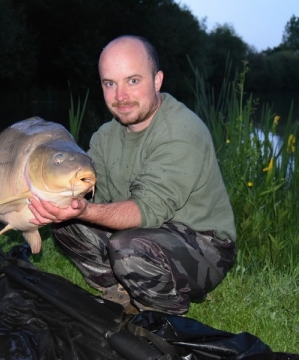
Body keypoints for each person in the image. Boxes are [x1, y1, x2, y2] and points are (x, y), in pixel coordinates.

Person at [28, 35, 237, 315]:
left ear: (157, 80)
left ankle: (162, 315)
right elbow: (87, 192)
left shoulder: (181, 133)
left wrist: (84, 210)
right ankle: (119, 293)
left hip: (203, 244)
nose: (120, 96)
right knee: (67, 224)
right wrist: (49, 201)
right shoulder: (105, 136)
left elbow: (145, 210)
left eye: (133, 81)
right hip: (145, 230)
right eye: (110, 84)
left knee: (127, 247)